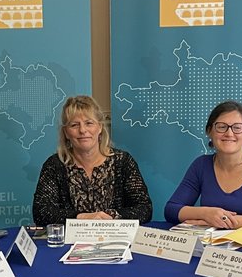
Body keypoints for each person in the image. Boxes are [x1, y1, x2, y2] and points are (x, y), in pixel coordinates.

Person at [165, 100, 242, 229]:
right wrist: (206, 213)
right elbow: (171, 210)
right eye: (221, 127)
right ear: (209, 132)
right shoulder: (201, 165)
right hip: (211, 244)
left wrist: (222, 220)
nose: (229, 133)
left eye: (237, 127)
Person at [32, 95, 153, 225]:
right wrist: (81, 217)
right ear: (66, 132)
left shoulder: (123, 161)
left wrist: (110, 216)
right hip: (70, 242)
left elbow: (144, 209)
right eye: (74, 125)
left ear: (100, 127)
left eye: (89, 123)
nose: (83, 130)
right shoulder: (54, 165)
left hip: (116, 239)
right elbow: (41, 213)